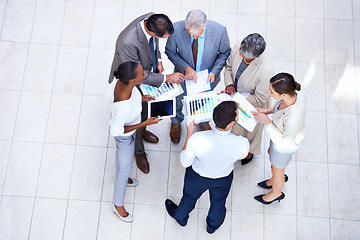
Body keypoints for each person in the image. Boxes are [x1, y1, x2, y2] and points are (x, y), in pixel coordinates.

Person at [109, 13, 185, 174]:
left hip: (144, 72)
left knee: (146, 107)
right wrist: (166, 78)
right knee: (137, 115)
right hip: (132, 79)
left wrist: (158, 61)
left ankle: (142, 131)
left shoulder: (152, 19)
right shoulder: (127, 43)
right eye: (162, 37)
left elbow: (154, 44)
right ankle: (139, 151)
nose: (162, 39)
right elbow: (139, 74)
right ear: (151, 31)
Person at [165, 101, 249, 234]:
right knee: (218, 203)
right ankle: (212, 226)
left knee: (188, 197)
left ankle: (181, 217)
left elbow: (185, 162)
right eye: (237, 115)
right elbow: (243, 155)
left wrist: (190, 133)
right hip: (223, 178)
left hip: (197, 177)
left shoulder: (197, 138)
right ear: (231, 123)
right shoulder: (242, 143)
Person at [165, 10, 231, 143]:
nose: (194, 38)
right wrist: (186, 67)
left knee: (204, 101)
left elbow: (225, 53)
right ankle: (176, 121)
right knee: (177, 100)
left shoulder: (220, 31)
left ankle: (203, 121)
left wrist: (214, 71)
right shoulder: (176, 29)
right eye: (191, 34)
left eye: (198, 35)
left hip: (207, 78)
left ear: (205, 24)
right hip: (182, 77)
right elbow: (170, 51)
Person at [110, 61, 162, 222]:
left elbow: (130, 95)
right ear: (132, 80)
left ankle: (123, 176)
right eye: (141, 74)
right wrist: (144, 124)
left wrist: (141, 98)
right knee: (125, 169)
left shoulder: (123, 82)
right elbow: (117, 131)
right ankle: (118, 205)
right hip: (125, 137)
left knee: (123, 165)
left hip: (130, 129)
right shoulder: (122, 108)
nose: (144, 75)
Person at [252, 72, 306, 204]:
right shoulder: (293, 95)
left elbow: (285, 143)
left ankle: (276, 193)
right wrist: (268, 111)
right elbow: (279, 108)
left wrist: (267, 122)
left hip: (283, 146)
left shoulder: (293, 118)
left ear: (283, 95)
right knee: (273, 160)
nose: (268, 92)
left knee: (278, 171)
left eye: (271, 91)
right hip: (278, 135)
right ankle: (274, 178)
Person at [224, 33, 274, 165]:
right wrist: (229, 84)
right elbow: (228, 67)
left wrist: (235, 99)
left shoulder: (267, 70)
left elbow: (259, 98)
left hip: (254, 103)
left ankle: (249, 153)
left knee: (250, 133)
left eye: (244, 56)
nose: (240, 55)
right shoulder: (239, 46)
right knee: (235, 128)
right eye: (240, 52)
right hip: (235, 95)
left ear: (256, 57)